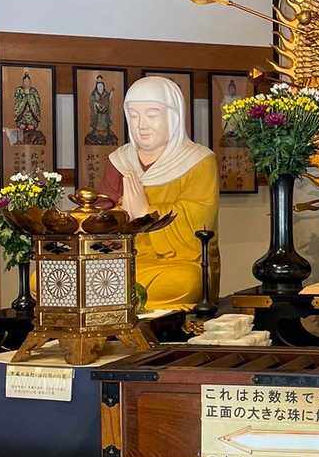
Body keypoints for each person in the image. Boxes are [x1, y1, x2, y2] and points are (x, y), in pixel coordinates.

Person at [99, 76, 219, 310]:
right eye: (134, 116)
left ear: (174, 117)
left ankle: (114, 297)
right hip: (125, 262)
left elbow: (199, 220)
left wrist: (145, 211)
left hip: (175, 264)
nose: (141, 125)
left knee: (187, 282)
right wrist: (119, 216)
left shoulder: (198, 160)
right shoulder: (120, 161)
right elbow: (99, 220)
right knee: (45, 279)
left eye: (152, 115)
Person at [85, 74, 118, 146]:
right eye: (99, 86)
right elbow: (92, 101)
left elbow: (108, 100)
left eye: (101, 86)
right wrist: (96, 104)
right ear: (96, 86)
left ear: (103, 86)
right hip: (97, 113)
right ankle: (97, 133)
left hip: (105, 112)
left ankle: (105, 133)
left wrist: (111, 94)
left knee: (104, 123)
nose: (100, 87)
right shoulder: (94, 94)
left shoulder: (106, 93)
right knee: (98, 123)